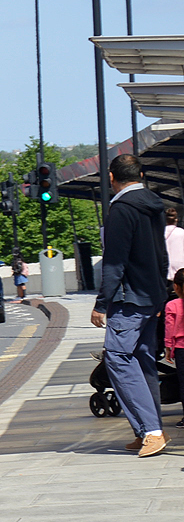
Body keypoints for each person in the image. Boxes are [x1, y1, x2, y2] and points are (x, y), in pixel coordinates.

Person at [91, 154, 170, 457]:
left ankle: (151, 431)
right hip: (151, 296)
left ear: (112, 177)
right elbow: (161, 254)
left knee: (118, 359)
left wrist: (101, 303)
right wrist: (160, 292)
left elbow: (114, 262)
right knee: (142, 360)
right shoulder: (154, 205)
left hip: (128, 299)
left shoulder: (121, 210)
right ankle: (148, 431)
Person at [164, 269, 184, 427]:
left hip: (181, 348)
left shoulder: (172, 305)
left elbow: (170, 329)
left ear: (176, 287)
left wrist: (168, 347)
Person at [165, 208, 184, 289]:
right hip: (179, 269)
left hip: (163, 269)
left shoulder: (159, 232)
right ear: (176, 220)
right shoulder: (181, 232)